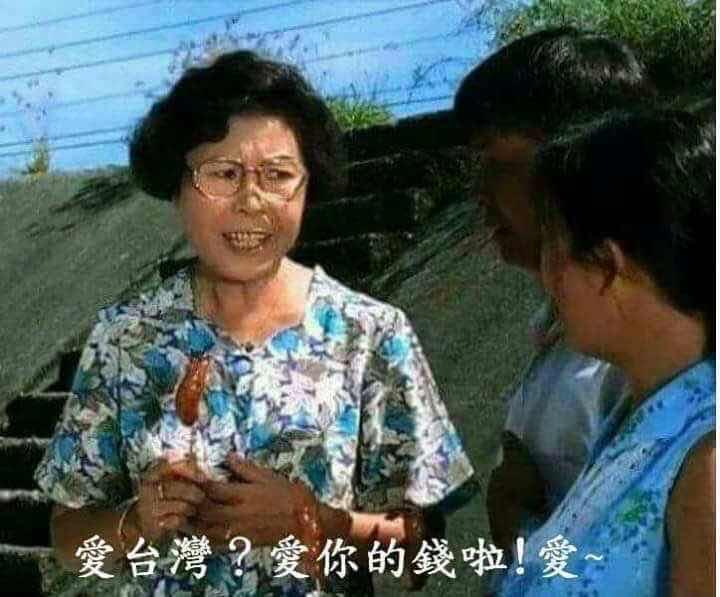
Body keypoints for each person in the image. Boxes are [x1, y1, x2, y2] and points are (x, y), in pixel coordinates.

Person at [34, 50, 476, 596]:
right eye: (222, 174)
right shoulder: (125, 338)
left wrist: (313, 520)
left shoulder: (370, 334)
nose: (252, 201)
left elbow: (422, 554)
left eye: (278, 175)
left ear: (308, 185)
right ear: (176, 187)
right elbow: (69, 538)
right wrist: (136, 521)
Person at [452, 27, 656, 549]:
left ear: (583, 156)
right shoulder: (560, 334)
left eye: (495, 159)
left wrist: (518, 515)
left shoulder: (649, 353)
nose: (479, 190)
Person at [499, 109, 714, 596]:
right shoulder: (631, 420)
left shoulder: (708, 459)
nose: (547, 276)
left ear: (606, 265)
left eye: (552, 246)